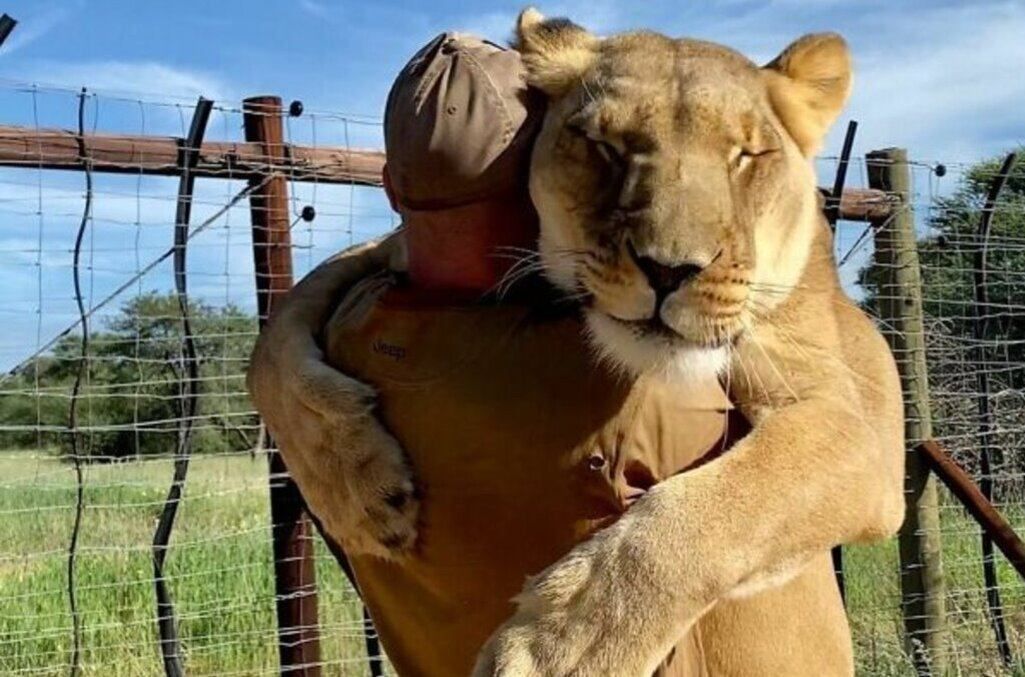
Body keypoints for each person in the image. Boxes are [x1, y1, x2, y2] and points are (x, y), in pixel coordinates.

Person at [247, 33, 732, 676]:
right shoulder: (624, 378)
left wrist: (276, 350)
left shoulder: (336, 355)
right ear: (544, 177)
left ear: (390, 188)